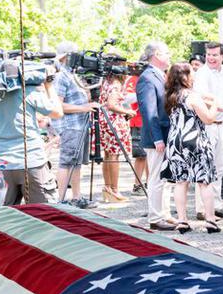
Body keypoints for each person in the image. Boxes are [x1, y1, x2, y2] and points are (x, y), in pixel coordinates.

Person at [0, 62, 63, 204]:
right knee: (45, 215)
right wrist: (49, 85)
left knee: (4, 220)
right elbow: (57, 112)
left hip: (0, 166)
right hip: (32, 162)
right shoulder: (27, 92)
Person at [161, 62, 223, 234]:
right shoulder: (192, 97)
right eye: (191, 73)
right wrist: (216, 103)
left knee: (180, 182)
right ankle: (210, 219)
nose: (194, 75)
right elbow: (208, 119)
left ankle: (182, 220)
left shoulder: (171, 96)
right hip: (195, 140)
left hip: (176, 142)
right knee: (204, 182)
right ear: (185, 76)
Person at [192, 41, 223, 219]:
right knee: (204, 165)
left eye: (214, 55)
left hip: (222, 124)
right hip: (206, 124)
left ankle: (216, 204)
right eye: (208, 55)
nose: (210, 58)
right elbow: (202, 97)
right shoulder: (202, 73)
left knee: (219, 166)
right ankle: (202, 208)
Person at [53, 41, 99, 208]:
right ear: (66, 57)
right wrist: (83, 107)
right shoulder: (61, 76)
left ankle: (76, 198)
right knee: (66, 163)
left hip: (79, 125)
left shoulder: (72, 75)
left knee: (76, 163)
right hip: (70, 126)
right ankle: (62, 200)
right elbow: (57, 106)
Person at [136, 40, 176, 231]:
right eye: (166, 53)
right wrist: (158, 138)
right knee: (156, 179)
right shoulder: (147, 78)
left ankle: (165, 213)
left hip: (166, 134)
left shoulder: (161, 76)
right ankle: (155, 216)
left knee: (166, 179)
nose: (169, 56)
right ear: (157, 55)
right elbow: (149, 111)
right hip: (156, 137)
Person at [96, 73, 135, 202]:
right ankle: (114, 189)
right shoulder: (116, 84)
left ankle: (107, 188)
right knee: (114, 156)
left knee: (108, 155)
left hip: (104, 120)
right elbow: (111, 105)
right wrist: (127, 112)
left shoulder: (105, 81)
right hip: (113, 121)